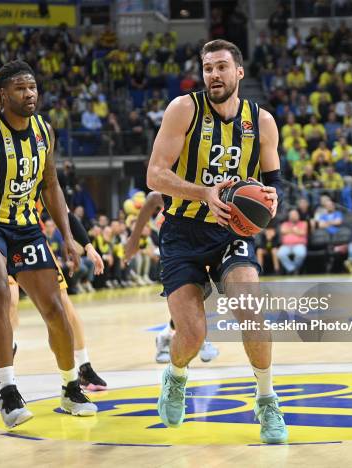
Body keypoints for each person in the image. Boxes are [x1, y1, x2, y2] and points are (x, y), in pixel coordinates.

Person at [0, 61, 97, 429]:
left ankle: (70, 386)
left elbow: (50, 186)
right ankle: (8, 390)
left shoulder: (45, 130)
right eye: (20, 89)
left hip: (26, 227)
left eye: (33, 88)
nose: (29, 94)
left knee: (55, 308)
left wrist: (69, 238)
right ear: (3, 94)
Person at [146, 40, 287, 443]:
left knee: (250, 309)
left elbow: (275, 181)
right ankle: (175, 377)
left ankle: (266, 401)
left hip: (232, 232)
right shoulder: (184, 109)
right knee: (193, 334)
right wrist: (203, 193)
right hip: (182, 230)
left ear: (239, 72)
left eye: (222, 67)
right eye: (208, 68)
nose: (214, 75)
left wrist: (273, 199)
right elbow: (155, 175)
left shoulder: (261, 121)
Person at [5, 210, 108, 391]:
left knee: (62, 304)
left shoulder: (39, 182)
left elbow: (64, 212)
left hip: (31, 241)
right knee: (9, 300)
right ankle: (6, 357)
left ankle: (84, 367)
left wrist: (88, 246)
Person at [124, 191, 220, 365]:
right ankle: (198, 338)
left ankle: (166, 336)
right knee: (189, 296)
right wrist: (134, 237)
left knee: (198, 297)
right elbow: (153, 198)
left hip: (204, 244)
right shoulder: (184, 187)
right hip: (176, 248)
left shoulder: (216, 188)